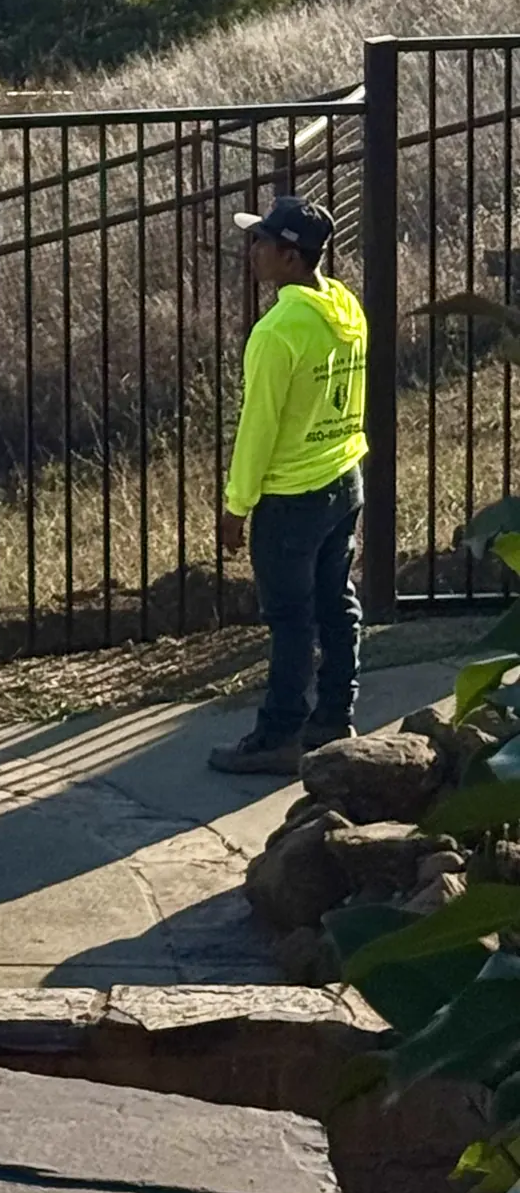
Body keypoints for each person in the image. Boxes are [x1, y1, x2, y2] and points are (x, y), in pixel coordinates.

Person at [208, 195, 369, 778]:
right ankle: (334, 716)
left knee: (291, 618)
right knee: (337, 605)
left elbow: (259, 427)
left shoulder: (276, 331)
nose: (252, 251)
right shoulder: (345, 307)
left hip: (290, 495)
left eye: (262, 242)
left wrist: (236, 505)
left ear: (291, 256)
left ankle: (279, 734)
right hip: (343, 478)